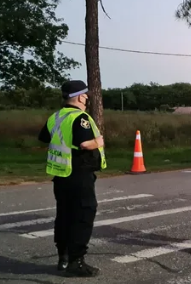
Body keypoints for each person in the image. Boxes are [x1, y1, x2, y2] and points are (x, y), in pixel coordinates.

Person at [37, 80, 106, 277]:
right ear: (80, 97)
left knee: (64, 215)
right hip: (79, 172)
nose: (87, 99)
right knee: (83, 215)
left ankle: (64, 258)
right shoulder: (80, 117)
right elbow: (84, 144)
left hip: (60, 173)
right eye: (86, 95)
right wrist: (98, 141)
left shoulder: (56, 116)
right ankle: (77, 261)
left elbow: (44, 137)